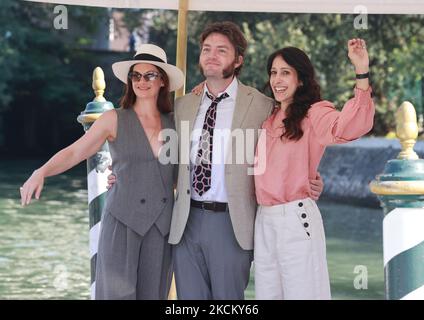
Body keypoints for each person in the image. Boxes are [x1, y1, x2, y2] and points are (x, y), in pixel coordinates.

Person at [108, 21, 324, 299]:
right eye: (206, 49)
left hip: (232, 224)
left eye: (221, 50)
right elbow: (161, 155)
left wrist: (312, 177)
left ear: (238, 60)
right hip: (185, 222)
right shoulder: (182, 106)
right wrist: (126, 176)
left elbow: (292, 141)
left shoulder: (262, 105)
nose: (211, 55)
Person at [19, 44, 185, 299]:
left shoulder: (176, 122)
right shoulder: (113, 118)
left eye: (150, 75)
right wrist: (40, 171)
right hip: (122, 221)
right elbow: (76, 152)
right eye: (136, 76)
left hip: (161, 228)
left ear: (162, 80)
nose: (142, 81)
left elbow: (183, 173)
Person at [253, 39, 374, 299]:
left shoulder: (314, 113)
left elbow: (349, 126)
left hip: (295, 218)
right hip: (263, 220)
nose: (277, 79)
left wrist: (361, 70)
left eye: (286, 72)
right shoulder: (267, 118)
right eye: (273, 72)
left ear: (302, 79)